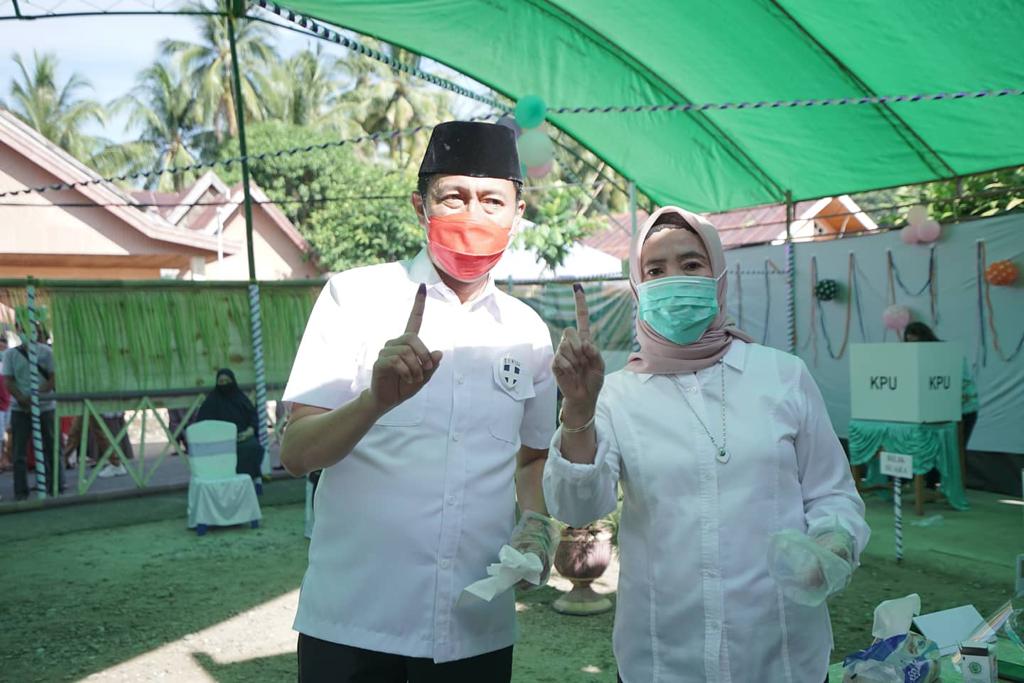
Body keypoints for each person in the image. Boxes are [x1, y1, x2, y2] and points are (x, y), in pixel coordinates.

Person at [280, 120, 559, 683]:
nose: (473, 215)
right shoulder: (354, 298)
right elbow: (297, 453)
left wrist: (536, 524)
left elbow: (532, 458)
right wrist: (373, 403)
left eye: (492, 201)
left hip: (474, 625)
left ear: (517, 215)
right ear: (420, 206)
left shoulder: (528, 331)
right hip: (354, 624)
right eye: (454, 197)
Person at [543, 206, 870, 683]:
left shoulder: (782, 376)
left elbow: (833, 492)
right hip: (662, 655)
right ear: (637, 287)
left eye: (691, 264)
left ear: (718, 274)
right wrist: (577, 409)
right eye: (655, 270)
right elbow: (577, 507)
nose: (674, 279)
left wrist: (834, 541)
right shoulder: (615, 394)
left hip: (780, 651)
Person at [902, 321, 978, 490]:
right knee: (933, 448)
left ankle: (951, 489)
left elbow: (955, 382)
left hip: (964, 409)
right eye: (909, 342)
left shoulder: (946, 352)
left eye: (916, 342)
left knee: (954, 451)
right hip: (937, 411)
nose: (913, 346)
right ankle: (931, 486)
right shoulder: (918, 357)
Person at [3, 317, 58, 500]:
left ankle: (55, 486)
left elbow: (53, 378)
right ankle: (21, 491)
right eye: (23, 329)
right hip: (20, 408)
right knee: (19, 452)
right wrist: (21, 398)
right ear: (18, 331)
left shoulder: (46, 352)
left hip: (45, 406)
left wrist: (37, 394)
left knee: (51, 446)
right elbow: (8, 380)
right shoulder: (10, 355)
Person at [194, 368, 264, 481]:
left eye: (227, 381)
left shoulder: (241, 399)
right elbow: (202, 424)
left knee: (253, 448)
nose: (224, 384)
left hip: (242, 436)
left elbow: (253, 418)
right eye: (221, 381)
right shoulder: (211, 401)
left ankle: (247, 482)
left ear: (233, 381)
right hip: (219, 440)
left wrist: (249, 431)